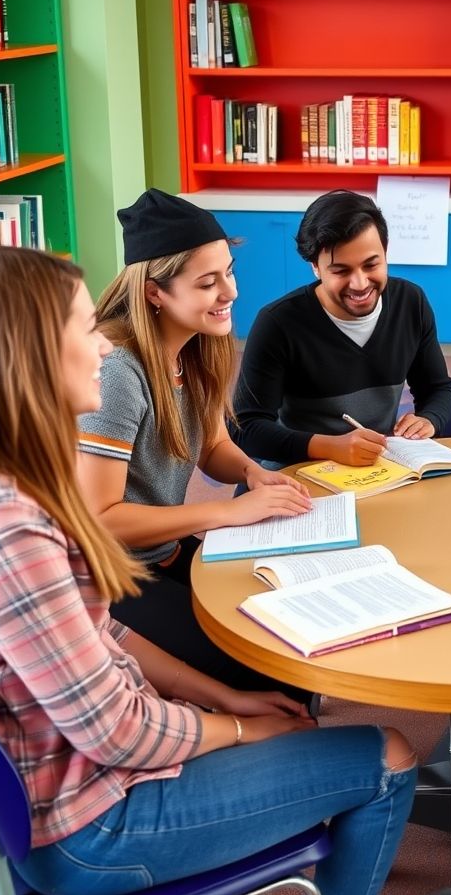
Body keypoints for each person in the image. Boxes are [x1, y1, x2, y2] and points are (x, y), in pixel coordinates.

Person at [0, 247, 417, 895]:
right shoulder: (9, 525)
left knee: (264, 698)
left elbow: (105, 633)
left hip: (83, 784)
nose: (103, 349)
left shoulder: (14, 484)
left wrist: (223, 700)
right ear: (26, 356)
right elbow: (114, 729)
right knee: (391, 756)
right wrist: (241, 731)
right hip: (94, 826)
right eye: (86, 330)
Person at [76, 189, 312, 698]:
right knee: (263, 671)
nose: (230, 291)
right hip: (111, 573)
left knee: (289, 646)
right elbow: (102, 517)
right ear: (155, 292)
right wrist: (226, 514)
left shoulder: (197, 347)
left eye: (228, 271)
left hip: (164, 550)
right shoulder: (118, 371)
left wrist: (251, 473)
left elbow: (211, 448)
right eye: (208, 282)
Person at [232, 188, 451, 468]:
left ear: (385, 253)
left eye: (371, 265)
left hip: (378, 465)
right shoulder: (278, 323)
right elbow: (246, 428)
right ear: (316, 267)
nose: (360, 284)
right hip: (301, 467)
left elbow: (438, 389)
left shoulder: (411, 302)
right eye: (341, 271)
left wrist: (429, 419)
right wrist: (330, 447)